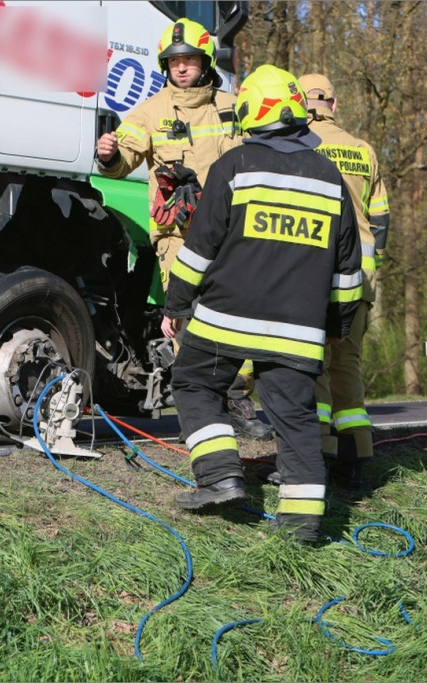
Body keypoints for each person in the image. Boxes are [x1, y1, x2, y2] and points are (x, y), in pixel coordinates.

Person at [162, 64, 363, 543]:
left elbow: (198, 249)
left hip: (225, 318)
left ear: (250, 114)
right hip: (298, 327)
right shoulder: (330, 176)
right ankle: (302, 526)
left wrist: (175, 305)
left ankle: (220, 478)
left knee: (194, 382)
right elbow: (348, 273)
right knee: (295, 417)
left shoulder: (233, 165)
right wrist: (337, 326)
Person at [94, 18, 273, 441]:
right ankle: (201, 408)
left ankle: (237, 397)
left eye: (189, 59)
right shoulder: (150, 111)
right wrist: (109, 155)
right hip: (179, 237)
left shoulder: (233, 105)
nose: (181, 67)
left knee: (240, 314)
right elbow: (122, 161)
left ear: (205, 62)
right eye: (174, 61)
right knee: (185, 319)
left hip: (233, 234)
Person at [298, 73, 390, 490]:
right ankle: (355, 455)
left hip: (314, 273)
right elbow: (381, 219)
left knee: (311, 364)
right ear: (333, 105)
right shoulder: (363, 150)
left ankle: (318, 453)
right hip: (360, 278)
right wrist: (370, 271)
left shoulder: (299, 145)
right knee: (347, 364)